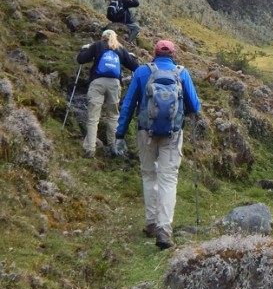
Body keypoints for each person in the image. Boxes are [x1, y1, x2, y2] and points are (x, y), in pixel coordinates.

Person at [115, 39, 201, 250]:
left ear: (154, 53)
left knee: (148, 174)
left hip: (146, 131)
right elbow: (195, 106)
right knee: (168, 179)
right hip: (173, 134)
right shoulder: (182, 73)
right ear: (173, 55)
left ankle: (151, 222)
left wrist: (120, 133)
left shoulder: (143, 72)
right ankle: (164, 229)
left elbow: (128, 105)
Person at [76, 29, 139, 158]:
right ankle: (113, 146)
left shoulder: (97, 45)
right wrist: (131, 57)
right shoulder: (120, 49)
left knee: (93, 117)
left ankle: (90, 149)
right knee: (113, 116)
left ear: (103, 37)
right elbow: (134, 66)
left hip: (97, 83)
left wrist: (84, 49)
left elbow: (81, 60)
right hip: (114, 85)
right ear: (115, 37)